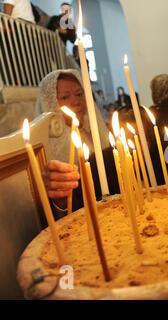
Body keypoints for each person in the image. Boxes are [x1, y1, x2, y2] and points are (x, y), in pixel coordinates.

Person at [34, 69, 119, 215]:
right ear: (51, 103)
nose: (76, 101)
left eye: (79, 94)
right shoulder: (44, 150)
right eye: (65, 97)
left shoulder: (95, 131)